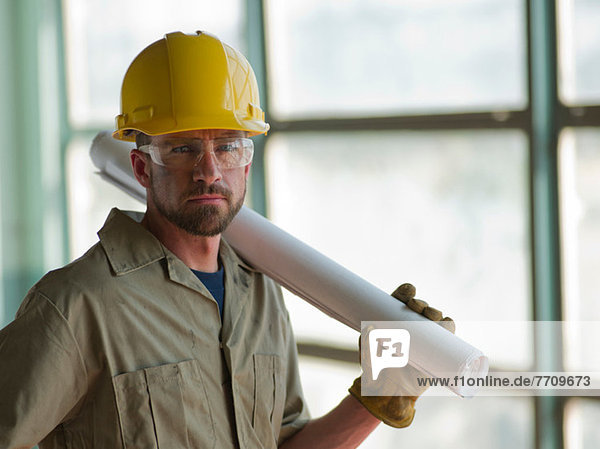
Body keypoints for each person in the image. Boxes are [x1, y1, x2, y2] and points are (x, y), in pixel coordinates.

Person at [0, 31, 452, 448]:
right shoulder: (76, 306)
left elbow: (284, 441)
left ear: (247, 164)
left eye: (228, 146)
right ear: (141, 169)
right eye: (183, 148)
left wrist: (380, 394)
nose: (209, 170)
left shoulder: (261, 293)